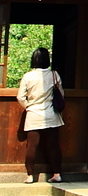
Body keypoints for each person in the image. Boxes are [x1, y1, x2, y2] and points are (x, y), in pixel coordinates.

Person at [17, 47, 63, 184]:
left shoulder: (28, 76)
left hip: (33, 115)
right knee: (53, 145)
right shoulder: (54, 74)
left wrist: (28, 106)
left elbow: (20, 97)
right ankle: (57, 174)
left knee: (32, 145)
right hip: (51, 114)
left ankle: (30, 175)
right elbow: (61, 94)